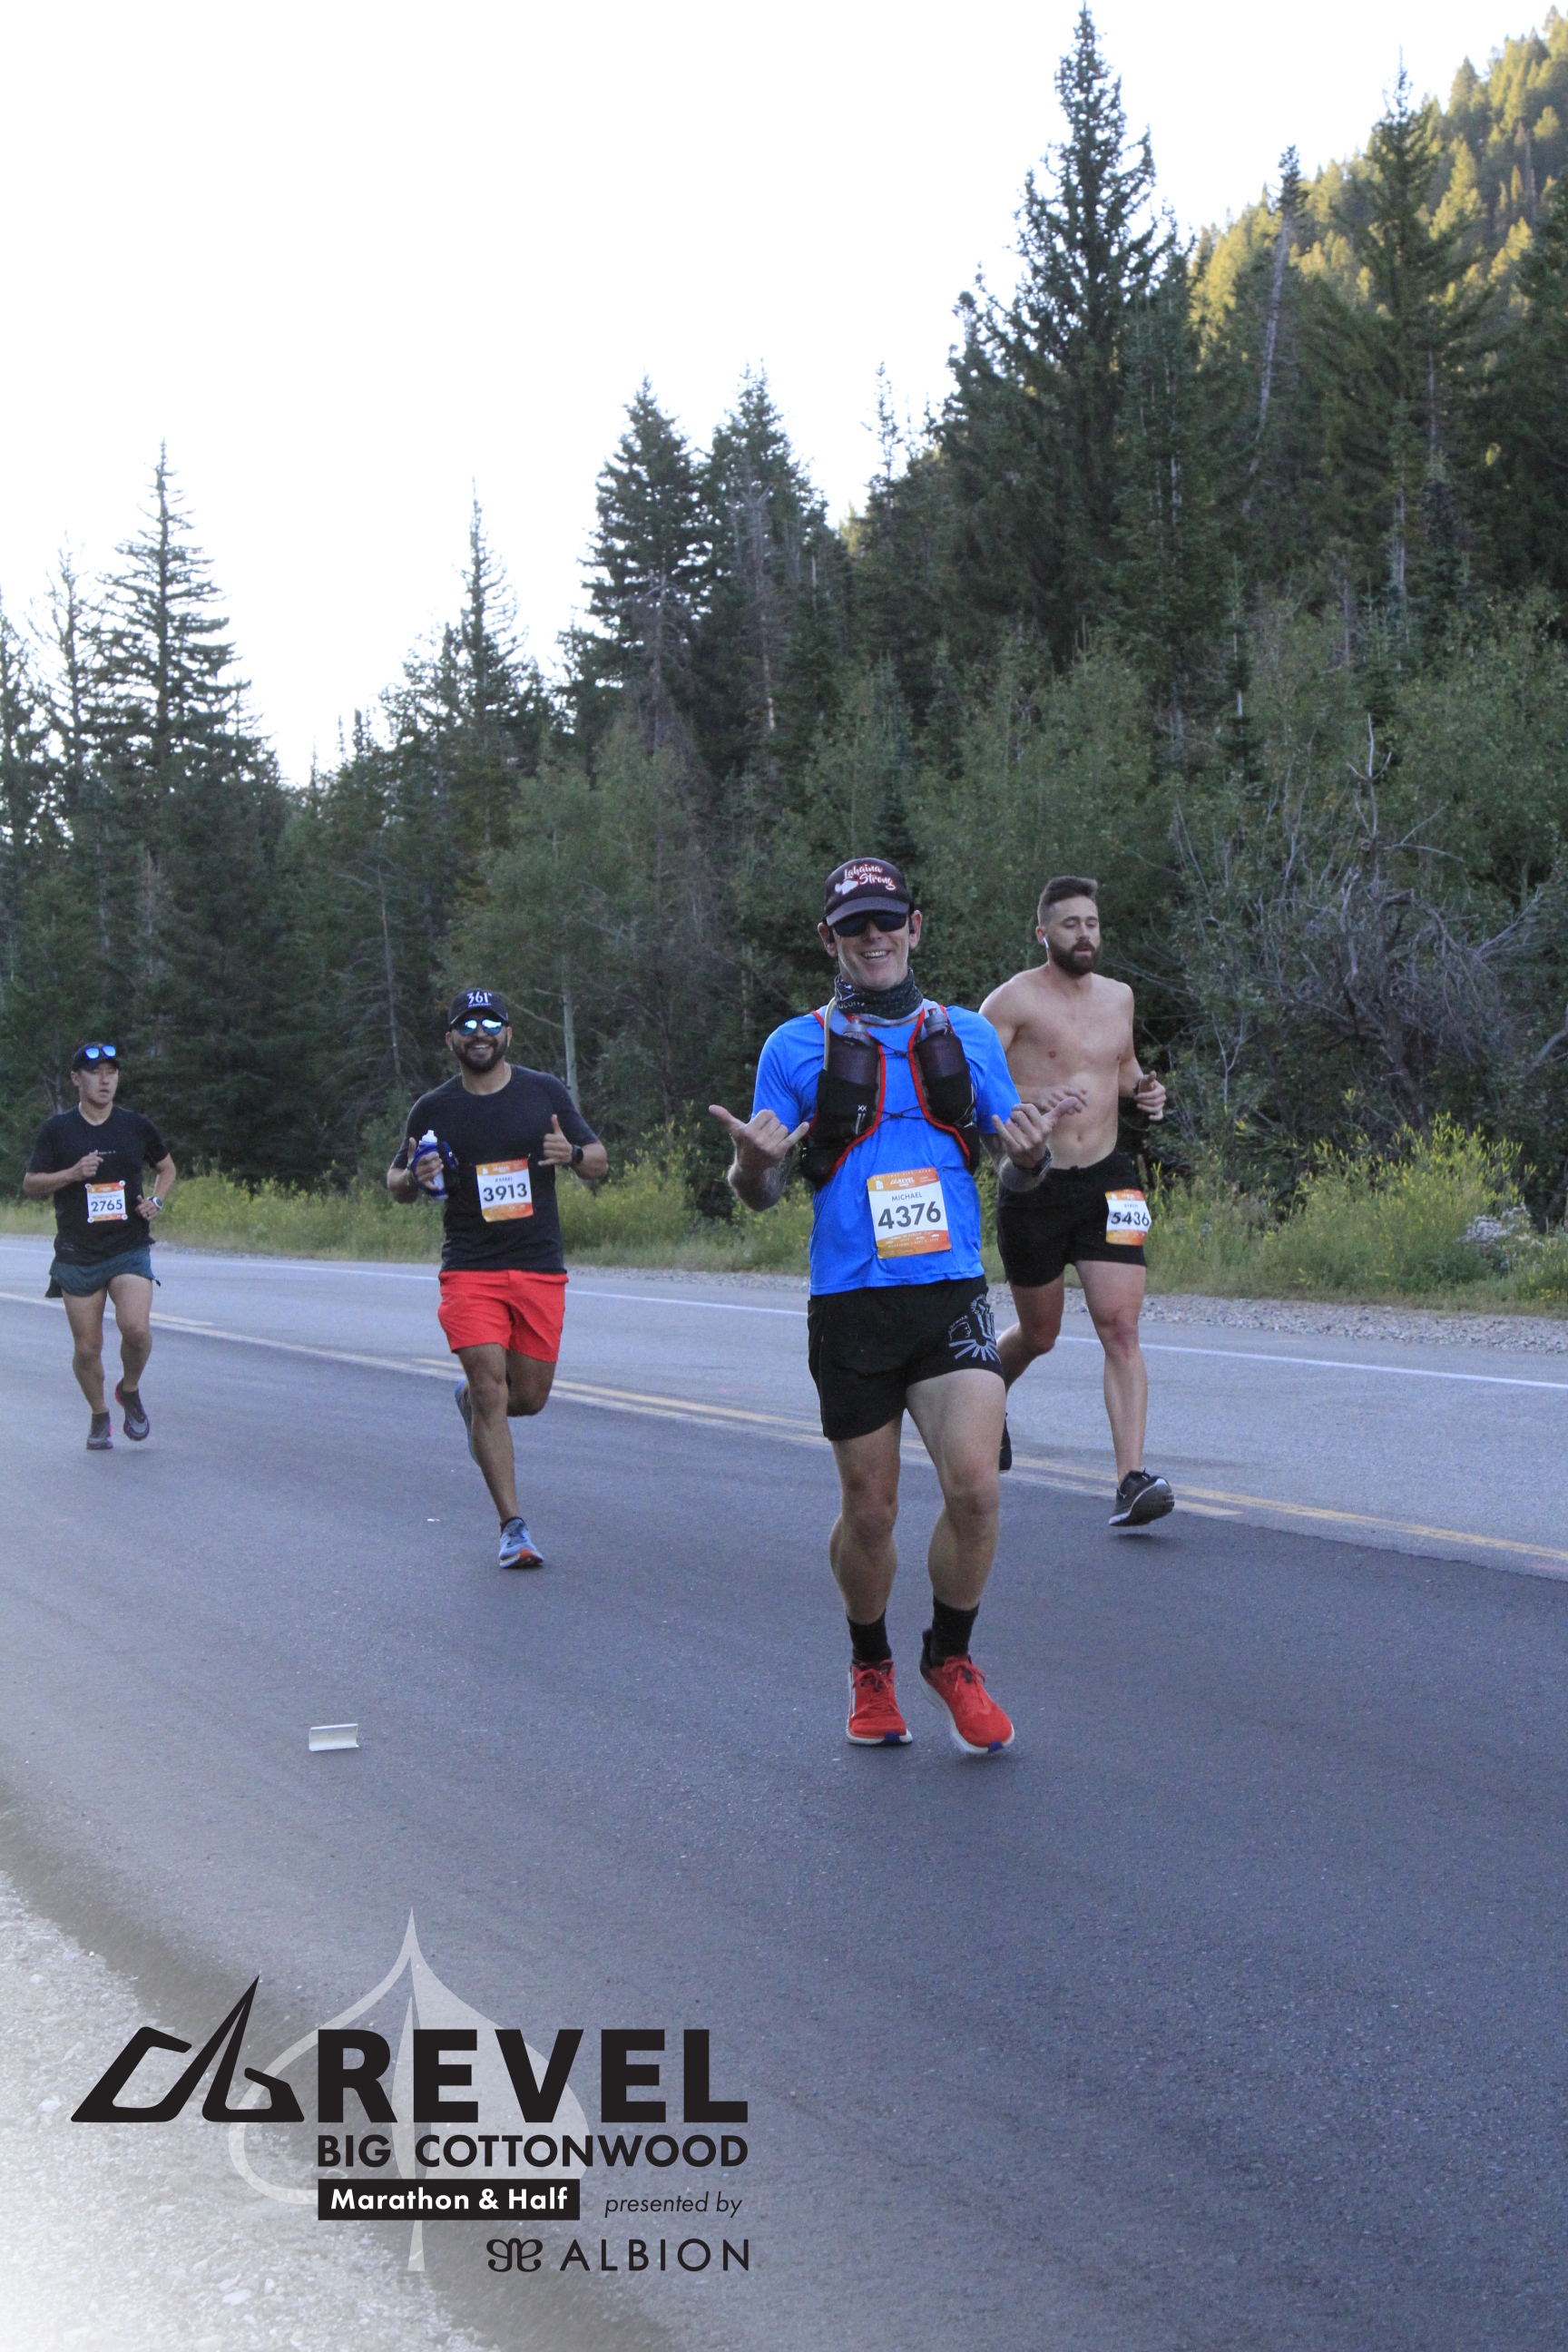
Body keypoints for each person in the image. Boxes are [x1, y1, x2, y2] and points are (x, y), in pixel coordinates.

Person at [710, 857, 1067, 1758]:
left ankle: (951, 1656)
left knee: (976, 1489)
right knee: (871, 1513)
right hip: (851, 1304)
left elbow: (1014, 1165)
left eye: (887, 920)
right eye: (854, 925)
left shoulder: (968, 1035)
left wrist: (1032, 1156)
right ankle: (870, 1663)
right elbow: (760, 1189)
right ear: (828, 939)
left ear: (915, 927)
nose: (874, 938)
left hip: (948, 1292)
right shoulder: (793, 1047)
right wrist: (751, 1166)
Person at [387, 988, 607, 1571]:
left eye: (490, 1023)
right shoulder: (433, 1108)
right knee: (491, 1387)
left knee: (526, 1398)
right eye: (467, 1025)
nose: (479, 1033)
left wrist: (572, 1155)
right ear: (451, 1040)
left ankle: (474, 1405)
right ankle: (513, 1527)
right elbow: (396, 1180)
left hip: (537, 1265)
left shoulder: (544, 1093)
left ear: (508, 1033)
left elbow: (599, 1160)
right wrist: (414, 1177)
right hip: (470, 1268)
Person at [980, 876, 1174, 1527]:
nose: (1084, 935)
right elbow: (967, 1086)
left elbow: (1122, 1069)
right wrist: (1026, 1103)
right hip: (1036, 1182)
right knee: (1040, 1334)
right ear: (1043, 933)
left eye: (1091, 923)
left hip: (1109, 1179)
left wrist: (1145, 1091)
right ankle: (986, 1396)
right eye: (1070, 925)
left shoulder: (1119, 997)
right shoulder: (1011, 1000)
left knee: (1121, 1327)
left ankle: (1131, 1480)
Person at [22, 1043, 177, 1449]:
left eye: (112, 1072)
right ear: (77, 1079)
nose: (105, 1080)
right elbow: (31, 1183)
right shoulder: (58, 1130)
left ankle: (129, 1389)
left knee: (136, 1330)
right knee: (88, 1349)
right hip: (78, 1253)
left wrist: (157, 1200)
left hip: (129, 1246)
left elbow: (166, 1168)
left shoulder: (135, 1125)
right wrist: (72, 1174)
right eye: (95, 1072)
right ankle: (99, 1414)